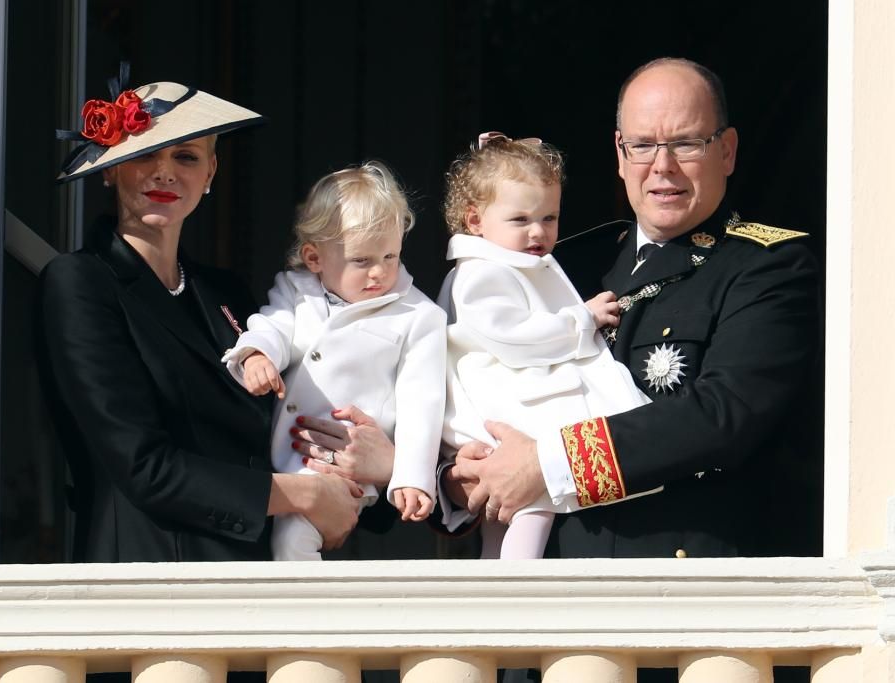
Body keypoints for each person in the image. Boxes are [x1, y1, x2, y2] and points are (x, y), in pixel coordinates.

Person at [443, 57, 820, 560]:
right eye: (643, 145)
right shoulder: (558, 262)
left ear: (726, 151)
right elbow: (464, 362)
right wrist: (455, 475)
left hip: (677, 592)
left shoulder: (768, 266)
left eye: (686, 143)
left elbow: (722, 416)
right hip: (538, 588)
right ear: (620, 154)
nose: (662, 167)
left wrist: (548, 464)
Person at [37, 68, 365, 569]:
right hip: (150, 583)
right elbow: (144, 468)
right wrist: (304, 495)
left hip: (256, 577)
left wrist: (377, 466)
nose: (165, 172)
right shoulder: (79, 283)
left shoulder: (225, 293)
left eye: (186, 157)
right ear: (110, 169)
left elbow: (285, 429)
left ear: (210, 174)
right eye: (145, 153)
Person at [438, 132, 651, 559]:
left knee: (507, 512)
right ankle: (518, 588)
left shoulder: (510, 264)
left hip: (513, 399)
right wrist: (581, 320)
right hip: (505, 408)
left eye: (549, 218)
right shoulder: (480, 273)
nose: (538, 232)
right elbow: (516, 339)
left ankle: (497, 585)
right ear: (475, 220)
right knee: (535, 499)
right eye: (520, 220)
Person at [223, 161, 447, 561]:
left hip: (343, 466)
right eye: (361, 261)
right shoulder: (296, 290)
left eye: (390, 256)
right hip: (278, 455)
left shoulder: (419, 315)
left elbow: (422, 404)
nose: (379, 272)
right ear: (314, 257)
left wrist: (412, 477)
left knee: (292, 540)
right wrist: (256, 354)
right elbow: (273, 326)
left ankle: (303, 620)